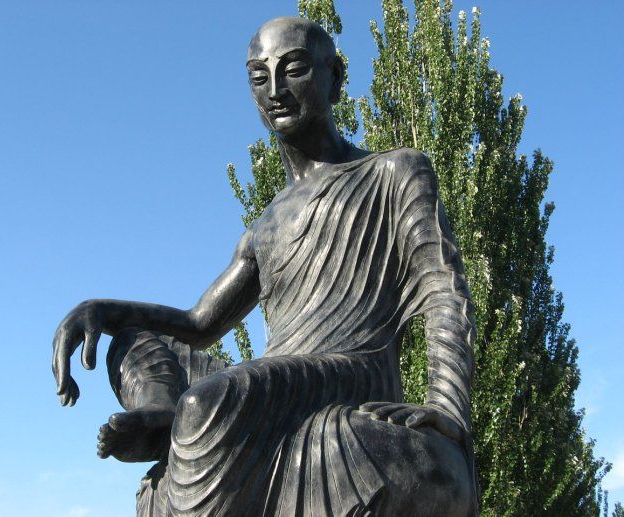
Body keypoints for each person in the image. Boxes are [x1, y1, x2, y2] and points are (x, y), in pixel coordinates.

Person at [52, 16, 477, 516]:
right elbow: (199, 324)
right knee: (133, 339)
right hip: (279, 377)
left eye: (293, 69)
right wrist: (102, 310)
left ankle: (183, 428)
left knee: (206, 403)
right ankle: (163, 413)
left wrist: (446, 405)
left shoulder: (393, 172)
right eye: (259, 76)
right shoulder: (266, 224)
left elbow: (444, 289)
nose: (275, 90)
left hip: (348, 370)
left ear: (335, 77)